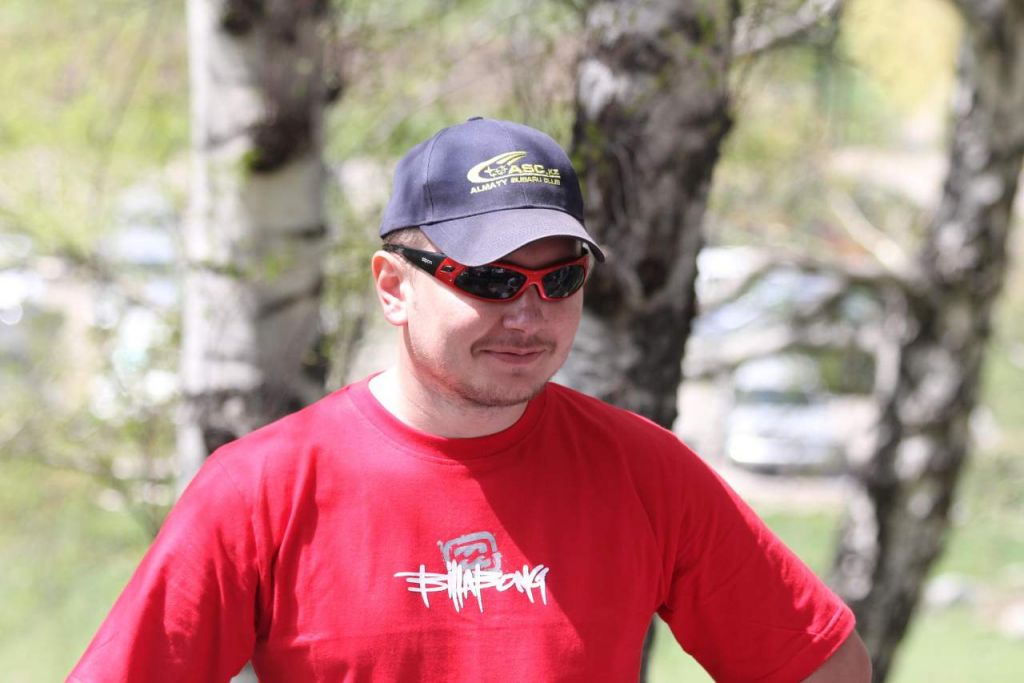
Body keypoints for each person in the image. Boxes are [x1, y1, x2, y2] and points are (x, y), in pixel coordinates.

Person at [70, 117, 870, 682]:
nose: (528, 313)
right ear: (393, 286)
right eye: (489, 279)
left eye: (560, 278)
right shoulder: (260, 488)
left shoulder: (641, 470)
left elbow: (820, 665)